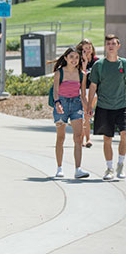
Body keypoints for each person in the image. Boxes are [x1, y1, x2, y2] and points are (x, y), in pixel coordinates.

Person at [87, 35, 126, 180]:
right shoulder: (100, 65)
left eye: (113, 43)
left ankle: (120, 165)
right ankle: (109, 168)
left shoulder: (123, 64)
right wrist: (90, 105)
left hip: (122, 105)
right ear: (105, 46)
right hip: (104, 106)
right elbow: (93, 85)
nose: (111, 46)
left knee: (125, 135)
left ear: (118, 46)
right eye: (108, 43)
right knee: (107, 138)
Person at [51, 47, 90, 179]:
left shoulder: (82, 74)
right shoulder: (59, 73)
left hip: (76, 105)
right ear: (66, 58)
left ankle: (78, 169)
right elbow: (56, 91)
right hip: (61, 104)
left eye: (76, 57)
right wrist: (57, 104)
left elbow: (83, 94)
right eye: (71, 57)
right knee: (60, 138)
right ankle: (59, 168)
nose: (74, 60)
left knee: (78, 138)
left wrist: (88, 108)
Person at [77, 38, 98, 148]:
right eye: (85, 48)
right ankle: (84, 139)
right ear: (82, 49)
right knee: (86, 113)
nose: (88, 50)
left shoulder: (97, 61)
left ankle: (87, 139)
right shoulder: (79, 61)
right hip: (82, 89)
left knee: (87, 114)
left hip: (93, 90)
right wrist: (84, 62)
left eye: (89, 47)